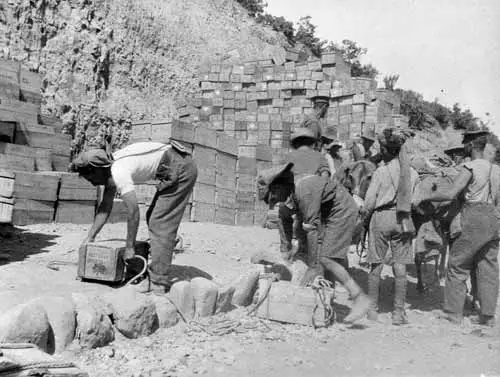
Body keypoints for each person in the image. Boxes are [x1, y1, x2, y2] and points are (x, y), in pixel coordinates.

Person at [70, 140, 197, 293]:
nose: (91, 183)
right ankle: (159, 260)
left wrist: (130, 247)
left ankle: (158, 282)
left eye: (90, 178)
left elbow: (133, 212)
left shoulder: (119, 172)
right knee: (154, 217)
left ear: (98, 171)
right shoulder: (110, 166)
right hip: (174, 164)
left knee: (159, 223)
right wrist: (90, 237)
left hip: (181, 168)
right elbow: (105, 206)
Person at [262, 162, 372, 323]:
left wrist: (313, 267)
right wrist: (285, 249)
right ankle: (327, 301)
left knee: (326, 258)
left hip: (342, 211)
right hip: (326, 213)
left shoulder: (304, 192)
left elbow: (312, 230)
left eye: (274, 197)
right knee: (320, 256)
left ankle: (360, 299)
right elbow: (283, 218)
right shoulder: (289, 195)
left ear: (279, 188)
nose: (275, 202)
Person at [414, 130, 500, 326]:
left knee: (457, 264)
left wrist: (426, 197)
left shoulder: (469, 167)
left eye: (465, 146)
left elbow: (451, 193)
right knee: (488, 268)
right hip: (493, 219)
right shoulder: (496, 169)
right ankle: (487, 316)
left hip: (473, 216)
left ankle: (453, 313)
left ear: (470, 146)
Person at [362, 128, 418, 325]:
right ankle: (398, 313)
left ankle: (372, 310)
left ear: (387, 149)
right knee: (400, 266)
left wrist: (364, 219)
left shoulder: (381, 171)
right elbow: (417, 201)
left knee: (376, 264)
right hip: (403, 220)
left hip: (381, 217)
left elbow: (369, 201)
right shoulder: (412, 173)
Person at [277, 128, 330, 261]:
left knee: (283, 215)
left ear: (296, 143)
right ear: (312, 142)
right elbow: (325, 178)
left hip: (293, 196)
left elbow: (280, 179)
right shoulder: (320, 157)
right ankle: (308, 253)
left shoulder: (288, 157)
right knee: (311, 223)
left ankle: (285, 247)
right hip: (313, 197)